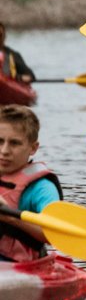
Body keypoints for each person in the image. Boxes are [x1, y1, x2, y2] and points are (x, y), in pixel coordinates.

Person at [0, 105, 62, 262]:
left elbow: (55, 234)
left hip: (17, 264)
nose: (4, 150)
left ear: (33, 148)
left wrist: (10, 217)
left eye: (14, 143)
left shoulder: (42, 187)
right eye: (0, 141)